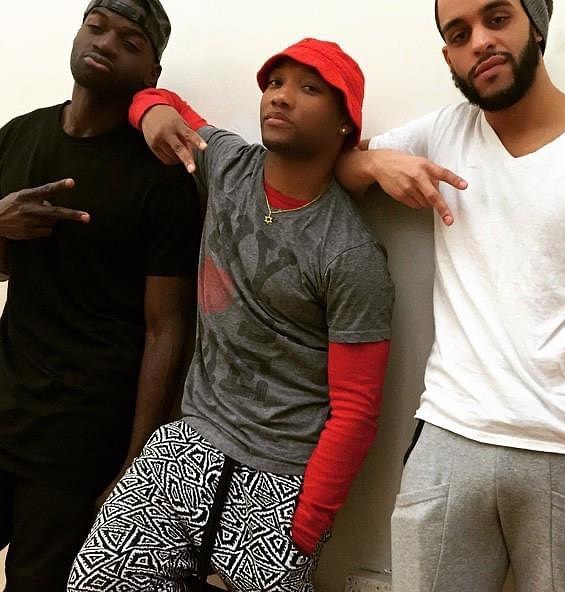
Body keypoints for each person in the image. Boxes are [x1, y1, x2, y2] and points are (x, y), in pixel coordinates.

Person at [334, 0, 565, 591]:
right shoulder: (443, 132)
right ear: (448, 56)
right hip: (450, 434)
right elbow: (338, 166)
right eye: (458, 33)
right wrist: (374, 165)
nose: (479, 41)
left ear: (536, 25)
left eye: (497, 18)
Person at [67, 38, 395, 592]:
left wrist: (306, 528)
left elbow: (356, 410)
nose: (281, 97)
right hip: (191, 442)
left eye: (308, 88)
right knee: (94, 581)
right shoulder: (228, 163)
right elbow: (155, 98)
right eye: (275, 83)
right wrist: (153, 112)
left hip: (281, 477)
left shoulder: (350, 252)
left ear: (346, 123)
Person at [0, 0, 201, 592]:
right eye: (97, 26)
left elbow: (167, 328)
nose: (106, 43)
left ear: (151, 73)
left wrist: (139, 466)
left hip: (78, 435)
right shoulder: (19, 135)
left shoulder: (162, 179)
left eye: (130, 41)